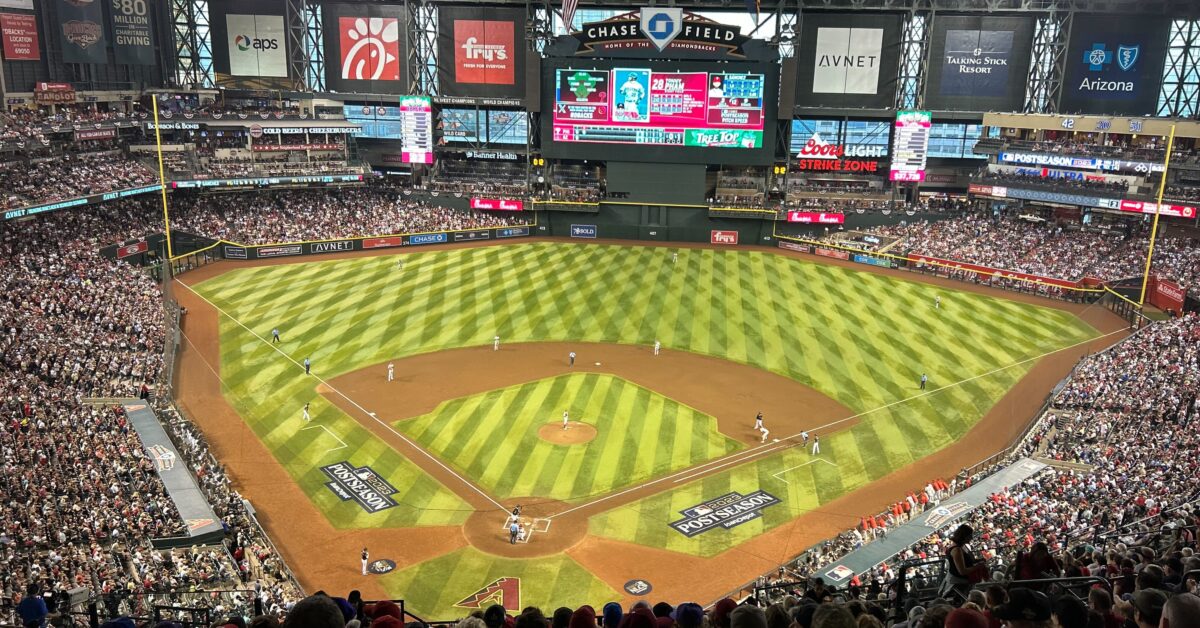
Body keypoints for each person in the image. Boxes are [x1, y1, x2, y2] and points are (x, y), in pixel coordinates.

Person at [940, 523, 986, 602]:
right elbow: (962, 571)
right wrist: (978, 566)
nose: (971, 537)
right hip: (959, 580)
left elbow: (967, 561)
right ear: (964, 536)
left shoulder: (962, 546)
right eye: (970, 535)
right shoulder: (957, 550)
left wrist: (978, 561)